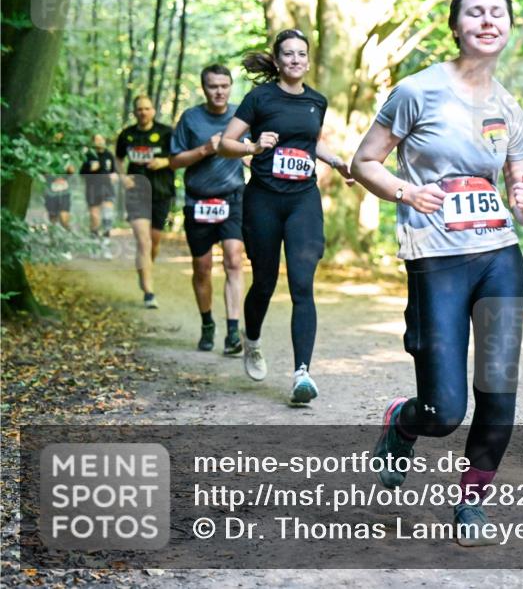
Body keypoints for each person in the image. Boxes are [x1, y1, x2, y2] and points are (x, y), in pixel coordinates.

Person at [351, 0, 523, 545]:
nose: (488, 21)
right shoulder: (418, 91)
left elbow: (521, 187)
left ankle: (472, 501)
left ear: (509, 27)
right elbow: (365, 162)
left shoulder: (508, 106)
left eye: (498, 13)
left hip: (499, 256)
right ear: (456, 26)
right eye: (475, 12)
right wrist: (407, 192)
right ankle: (403, 421)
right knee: (444, 411)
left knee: (499, 392)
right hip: (436, 258)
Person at [218, 29, 351, 403]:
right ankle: (252, 340)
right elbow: (225, 144)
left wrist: (335, 161)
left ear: (308, 60)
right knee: (263, 282)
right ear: (277, 61)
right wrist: (253, 146)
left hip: (302, 200)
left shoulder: (317, 101)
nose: (295, 59)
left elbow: (310, 142)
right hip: (263, 199)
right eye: (288, 54)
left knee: (302, 284)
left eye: (301, 54)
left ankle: (301, 374)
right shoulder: (259, 98)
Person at [170, 64, 246, 355]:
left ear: (230, 87)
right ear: (204, 88)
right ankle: (207, 324)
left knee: (234, 260)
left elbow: (254, 149)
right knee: (202, 268)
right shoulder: (190, 118)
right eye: (213, 86)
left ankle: (232, 332)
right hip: (198, 201)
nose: (219, 91)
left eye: (224, 86)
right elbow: (174, 161)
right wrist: (205, 149)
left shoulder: (241, 116)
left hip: (232, 198)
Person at [115, 95, 175, 309]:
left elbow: (181, 157)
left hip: (161, 192)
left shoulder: (167, 133)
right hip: (136, 192)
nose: (143, 112)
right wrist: (122, 177)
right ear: (134, 112)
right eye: (139, 109)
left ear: (153, 111)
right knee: (143, 241)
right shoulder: (127, 134)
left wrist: (164, 161)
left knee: (154, 242)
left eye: (147, 108)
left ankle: (145, 267)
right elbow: (118, 158)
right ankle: (149, 292)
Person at [80, 134, 117, 240]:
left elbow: (114, 171)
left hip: (107, 188)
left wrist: (114, 175)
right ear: (93, 142)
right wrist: (90, 169)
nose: (99, 141)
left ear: (104, 141)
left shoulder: (109, 155)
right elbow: (81, 173)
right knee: (95, 217)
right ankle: (94, 239)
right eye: (97, 140)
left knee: (107, 214)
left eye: (101, 139)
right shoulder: (89, 155)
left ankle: (106, 239)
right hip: (92, 189)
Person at [44, 162, 75, 229]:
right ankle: (53, 232)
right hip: (51, 194)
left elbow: (72, 170)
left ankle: (68, 231)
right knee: (53, 218)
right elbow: (42, 171)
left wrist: (68, 169)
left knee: (64, 218)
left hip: (65, 193)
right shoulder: (47, 159)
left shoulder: (67, 159)